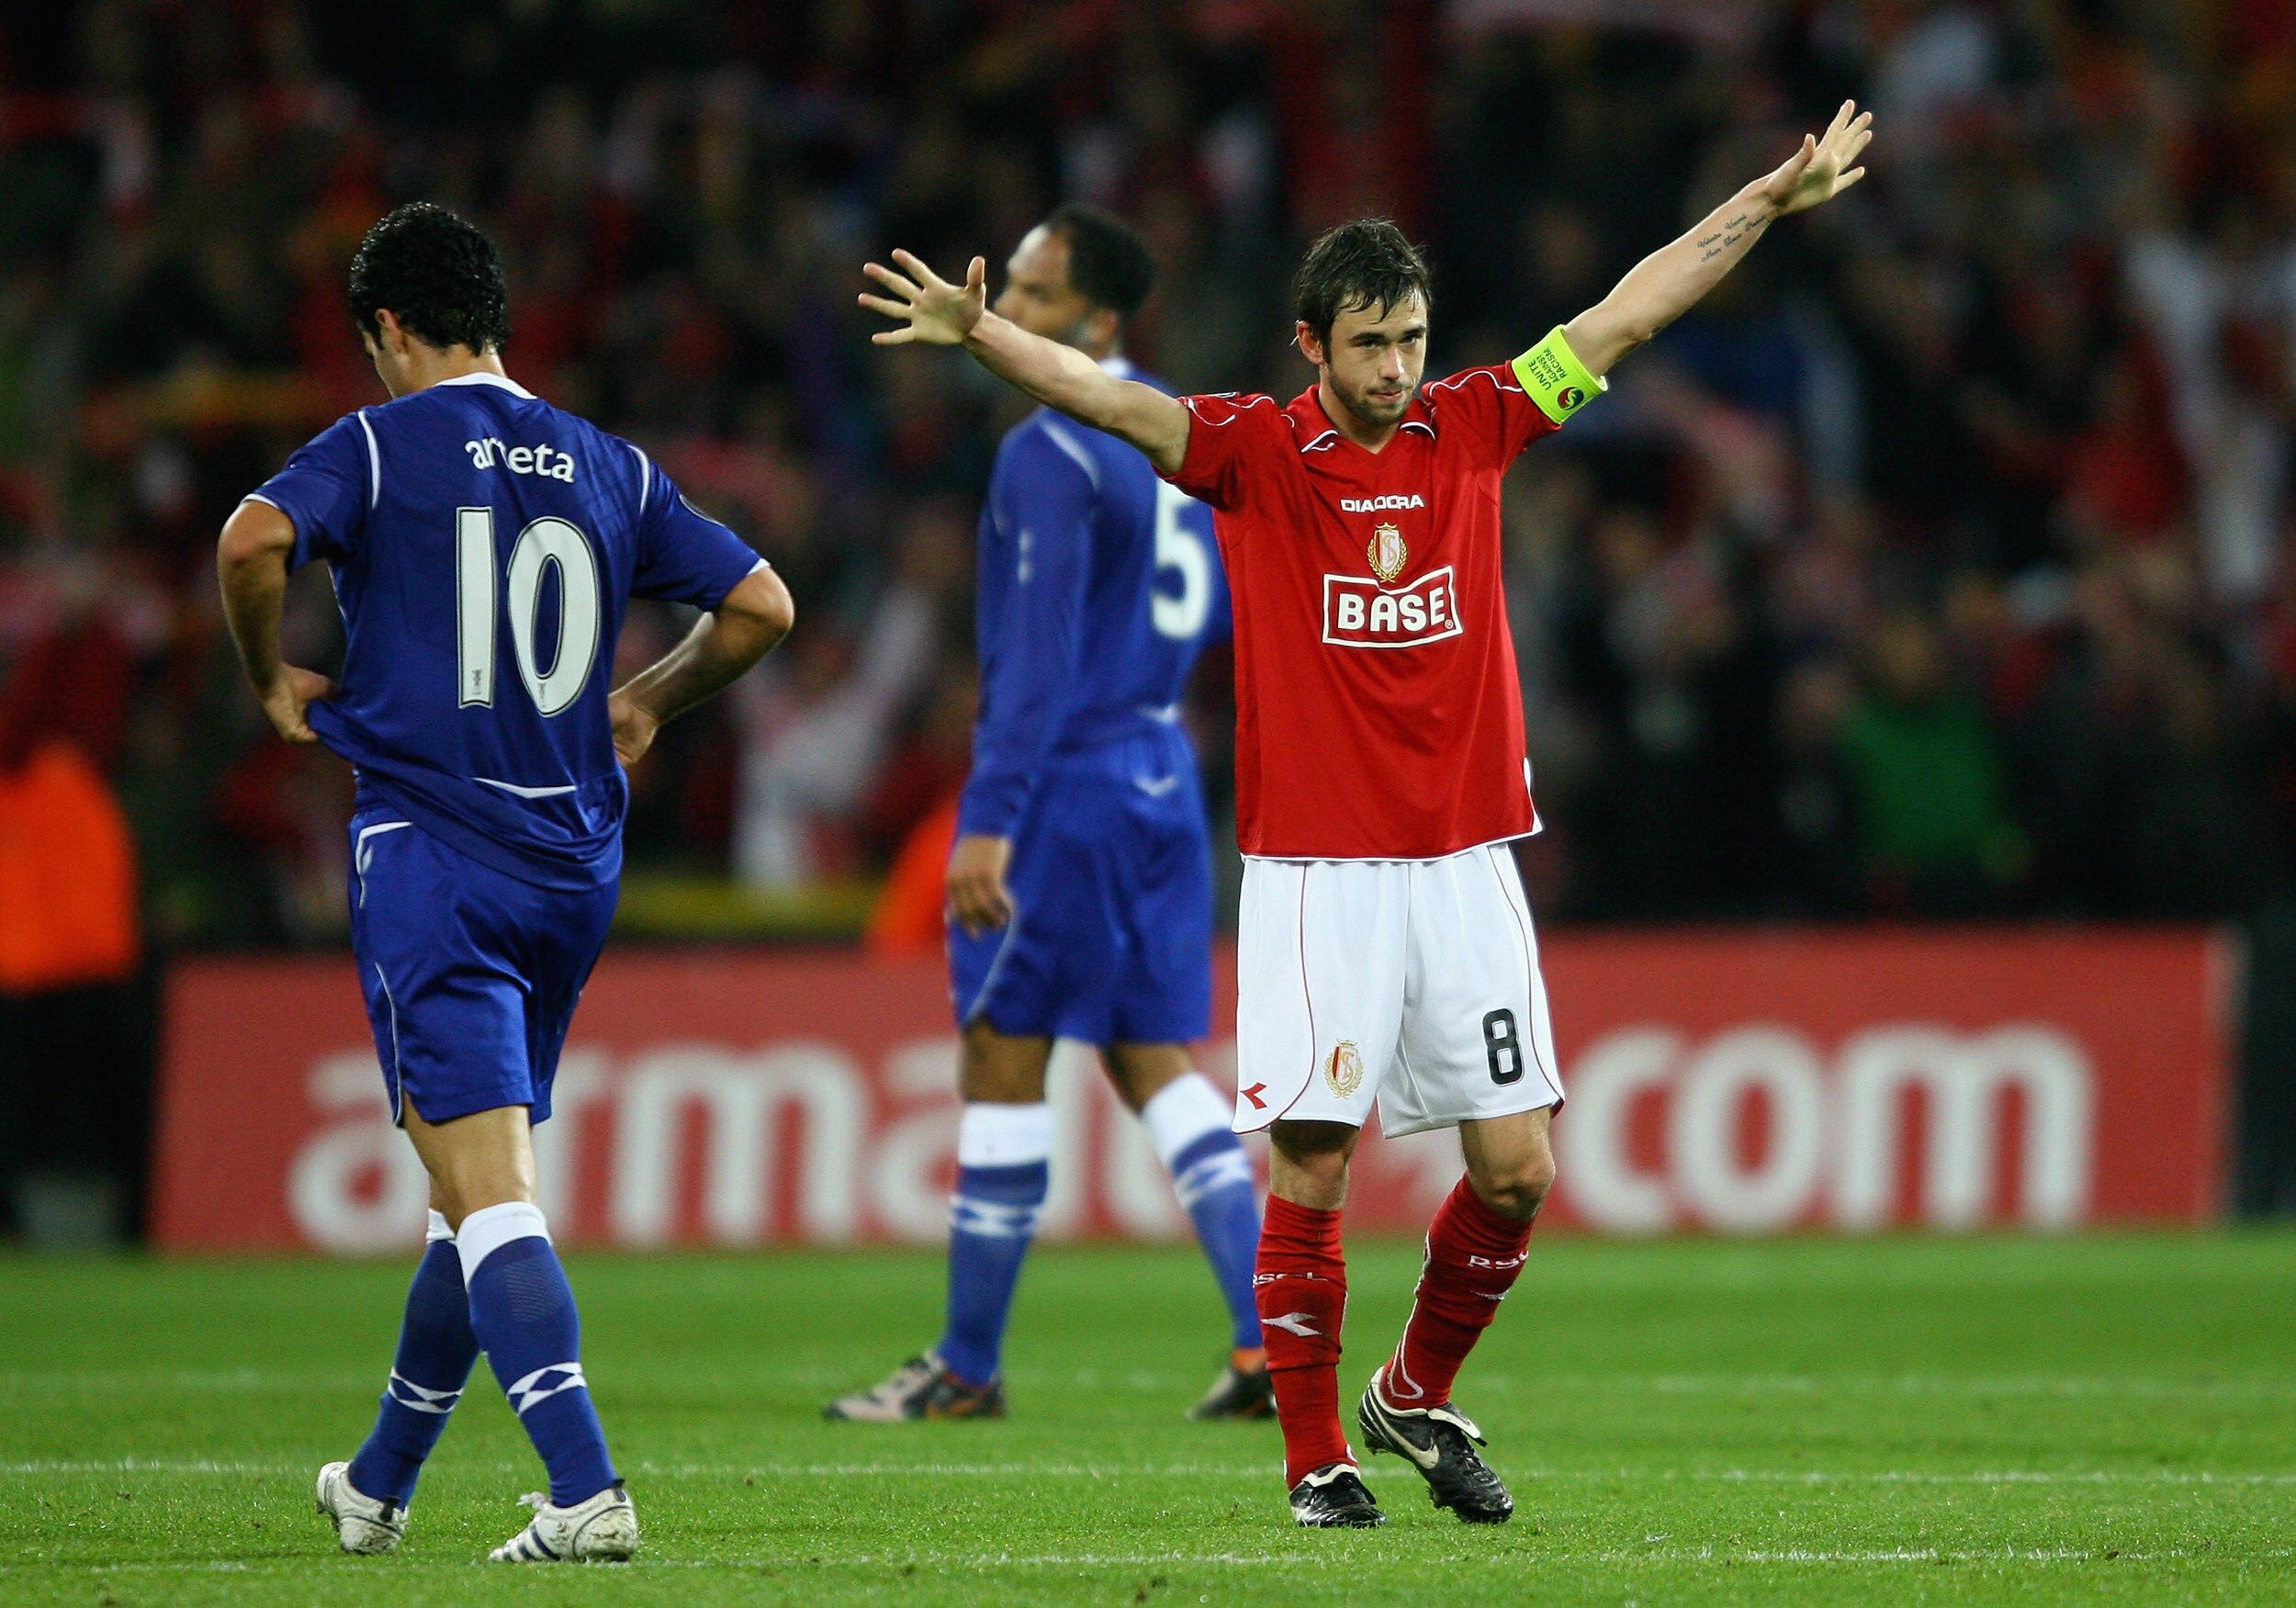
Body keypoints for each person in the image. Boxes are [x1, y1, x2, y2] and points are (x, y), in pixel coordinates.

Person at [860, 105, 1874, 1524]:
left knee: (1518, 1174)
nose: (1398, 369)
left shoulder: (1481, 422)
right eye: (1371, 344)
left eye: (1411, 337)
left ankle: (1412, 1393)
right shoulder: (1251, 455)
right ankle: (1312, 1459)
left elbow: (1632, 308)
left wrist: (1767, 200)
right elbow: (1106, 402)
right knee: (1316, 1161)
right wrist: (984, 337)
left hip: (1466, 861)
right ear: (1311, 346)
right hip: (1320, 870)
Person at [217, 203, 793, 1562]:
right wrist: (646, 699)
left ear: (390, 332)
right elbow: (763, 603)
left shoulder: (373, 441)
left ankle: (586, 1488)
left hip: (436, 853)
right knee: (462, 1190)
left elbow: (249, 544)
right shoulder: (609, 463)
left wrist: (268, 686)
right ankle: (378, 1482)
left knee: (489, 1193)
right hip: (571, 866)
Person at [827, 205, 1268, 1423]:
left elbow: (1034, 657)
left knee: (1000, 1054)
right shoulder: (1178, 435)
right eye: (1008, 281)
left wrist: (991, 814)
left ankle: (968, 1367)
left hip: (1067, 786)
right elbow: (1223, 614)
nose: (1003, 302)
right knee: (1157, 1066)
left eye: (1030, 290)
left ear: (1098, 322)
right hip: (1163, 772)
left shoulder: (1052, 446)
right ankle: (1265, 1342)